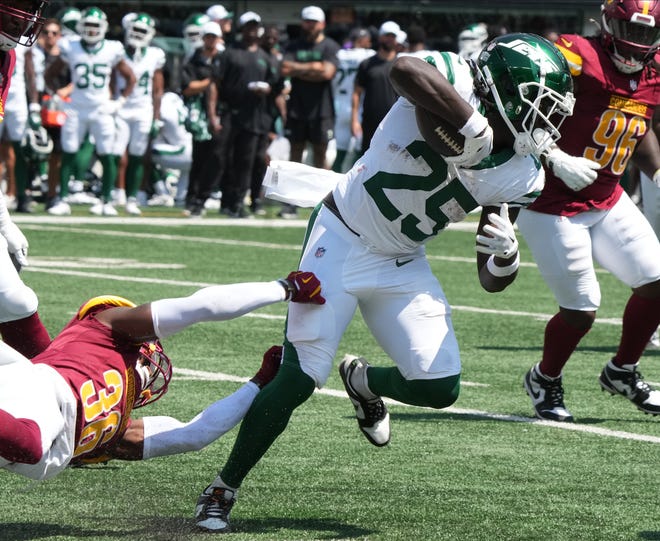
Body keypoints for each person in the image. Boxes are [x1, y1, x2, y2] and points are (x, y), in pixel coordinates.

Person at [193, 33, 588, 532]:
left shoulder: (520, 172)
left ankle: (363, 381)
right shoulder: (455, 76)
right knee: (298, 377)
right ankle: (222, 488)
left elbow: (490, 281)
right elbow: (402, 69)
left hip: (401, 258)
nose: (549, 121)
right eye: (539, 104)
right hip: (341, 234)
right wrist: (471, 125)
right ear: (503, 91)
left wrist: (505, 259)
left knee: (440, 386)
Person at [0, 270, 325, 481]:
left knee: (32, 451)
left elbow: (195, 434)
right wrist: (283, 288)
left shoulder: (118, 433)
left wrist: (257, 384)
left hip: (23, 439)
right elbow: (201, 307)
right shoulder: (105, 329)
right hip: (37, 395)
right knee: (31, 446)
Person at [517, 0, 660, 422]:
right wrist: (553, 153)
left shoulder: (654, 72)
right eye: (629, 32)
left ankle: (622, 370)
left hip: (608, 196)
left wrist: (656, 171)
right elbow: (518, 105)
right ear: (607, 22)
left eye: (647, 36)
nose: (636, 45)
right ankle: (544, 377)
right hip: (552, 203)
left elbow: (640, 125)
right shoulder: (576, 53)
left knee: (656, 282)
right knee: (581, 310)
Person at [45, 6, 136, 216]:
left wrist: (120, 101)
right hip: (76, 107)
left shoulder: (112, 49)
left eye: (95, 26)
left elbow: (131, 77)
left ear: (103, 27)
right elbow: (50, 74)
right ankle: (63, 198)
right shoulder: (71, 46)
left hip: (101, 107)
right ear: (80, 27)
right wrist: (57, 95)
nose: (92, 29)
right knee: (68, 151)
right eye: (87, 25)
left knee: (107, 153)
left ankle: (106, 200)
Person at [0, 0, 52, 360]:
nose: (27, 17)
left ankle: (59, 393)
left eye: (31, 7)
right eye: (19, 4)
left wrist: (4, 221)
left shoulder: (7, 57)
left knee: (14, 298)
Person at [210, 11, 278, 218]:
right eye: (248, 27)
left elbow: (277, 87)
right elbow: (216, 84)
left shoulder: (266, 57)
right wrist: (213, 114)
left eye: (255, 26)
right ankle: (225, 200)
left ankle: (239, 202)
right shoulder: (229, 53)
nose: (252, 31)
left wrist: (267, 91)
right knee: (223, 157)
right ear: (241, 29)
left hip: (254, 115)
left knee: (247, 160)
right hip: (230, 112)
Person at [279, 5, 340, 218]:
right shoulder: (293, 45)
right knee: (295, 155)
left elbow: (327, 73)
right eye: (306, 21)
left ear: (322, 24)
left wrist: (300, 68)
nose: (310, 25)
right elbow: (284, 68)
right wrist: (314, 67)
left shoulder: (330, 46)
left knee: (320, 157)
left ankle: (322, 204)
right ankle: (290, 203)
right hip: (297, 109)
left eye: (313, 22)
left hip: (322, 110)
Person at [112, 12, 165, 216]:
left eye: (143, 30)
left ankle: (133, 196)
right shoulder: (118, 51)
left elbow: (157, 89)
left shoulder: (155, 55)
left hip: (143, 109)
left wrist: (157, 117)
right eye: (136, 29)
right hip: (121, 108)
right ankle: (117, 192)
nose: (138, 34)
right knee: (117, 154)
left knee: (137, 155)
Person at [181, 20, 223, 218]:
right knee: (199, 158)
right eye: (208, 36)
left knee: (217, 156)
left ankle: (207, 194)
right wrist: (209, 82)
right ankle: (192, 197)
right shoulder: (194, 60)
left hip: (220, 113)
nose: (211, 40)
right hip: (199, 115)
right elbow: (188, 87)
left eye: (214, 37)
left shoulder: (223, 59)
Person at [351, 21, 401, 158]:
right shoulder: (366, 64)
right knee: (367, 157)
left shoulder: (401, 65)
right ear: (380, 37)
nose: (390, 39)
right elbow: (356, 92)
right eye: (387, 35)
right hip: (369, 122)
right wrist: (354, 120)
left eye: (393, 36)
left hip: (395, 121)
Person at [331, 27, 374, 173]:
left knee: (340, 151)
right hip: (359, 105)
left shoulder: (340, 54)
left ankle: (334, 181)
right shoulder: (369, 55)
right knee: (360, 152)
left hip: (340, 103)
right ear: (362, 40)